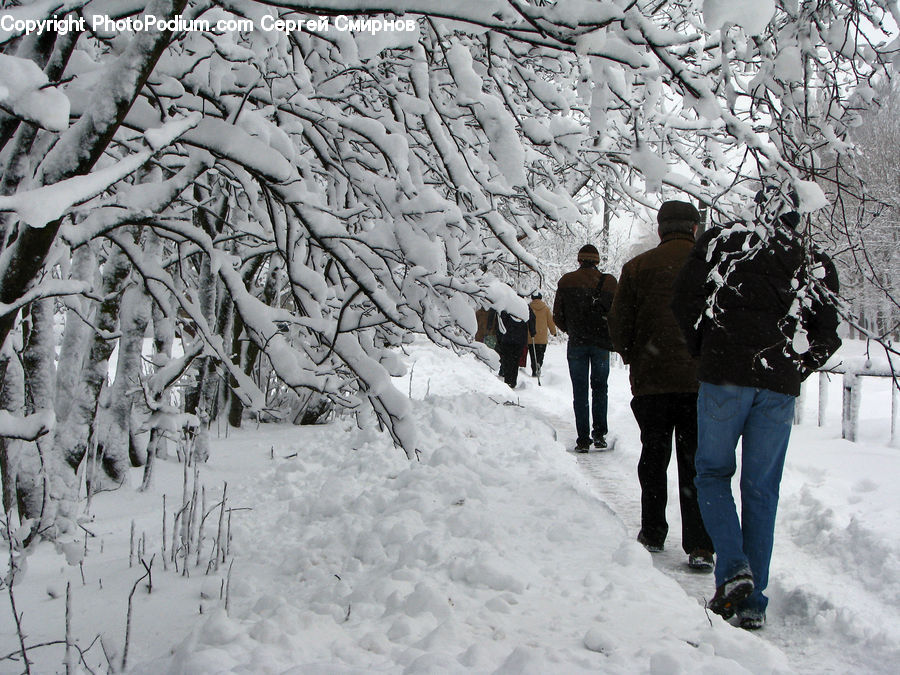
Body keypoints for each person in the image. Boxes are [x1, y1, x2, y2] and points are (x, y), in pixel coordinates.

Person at [671, 187, 842, 630]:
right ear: (797, 217)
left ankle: (733, 571)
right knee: (762, 490)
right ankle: (750, 603)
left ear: (755, 210)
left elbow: (683, 300)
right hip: (777, 381)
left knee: (710, 473)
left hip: (724, 374)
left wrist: (704, 348)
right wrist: (796, 368)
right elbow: (827, 333)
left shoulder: (720, 243)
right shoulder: (811, 260)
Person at [608, 201, 715, 570]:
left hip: (652, 381)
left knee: (654, 456)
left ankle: (653, 532)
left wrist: (634, 354)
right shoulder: (709, 266)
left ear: (660, 229)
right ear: (695, 229)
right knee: (695, 462)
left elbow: (619, 326)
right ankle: (700, 544)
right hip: (700, 382)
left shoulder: (637, 268)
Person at [553, 244, 618, 451]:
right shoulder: (609, 283)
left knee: (579, 391)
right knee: (600, 388)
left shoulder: (566, 281)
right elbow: (617, 314)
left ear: (579, 260)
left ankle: (582, 439)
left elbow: (557, 316)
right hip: (600, 344)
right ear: (597, 260)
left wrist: (572, 330)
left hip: (577, 343)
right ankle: (599, 434)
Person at [497, 308, 535, 389]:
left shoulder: (507, 305)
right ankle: (513, 380)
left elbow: (500, 320)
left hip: (507, 337)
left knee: (507, 360)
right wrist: (532, 331)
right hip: (519, 339)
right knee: (515, 360)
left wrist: (499, 335)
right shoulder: (524, 306)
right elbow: (531, 319)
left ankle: (508, 380)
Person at [528, 291, 557, 377]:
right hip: (542, 337)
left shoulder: (528, 308)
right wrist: (553, 332)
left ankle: (534, 368)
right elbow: (550, 322)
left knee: (533, 354)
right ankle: (539, 364)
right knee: (540, 354)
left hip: (531, 336)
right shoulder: (545, 309)